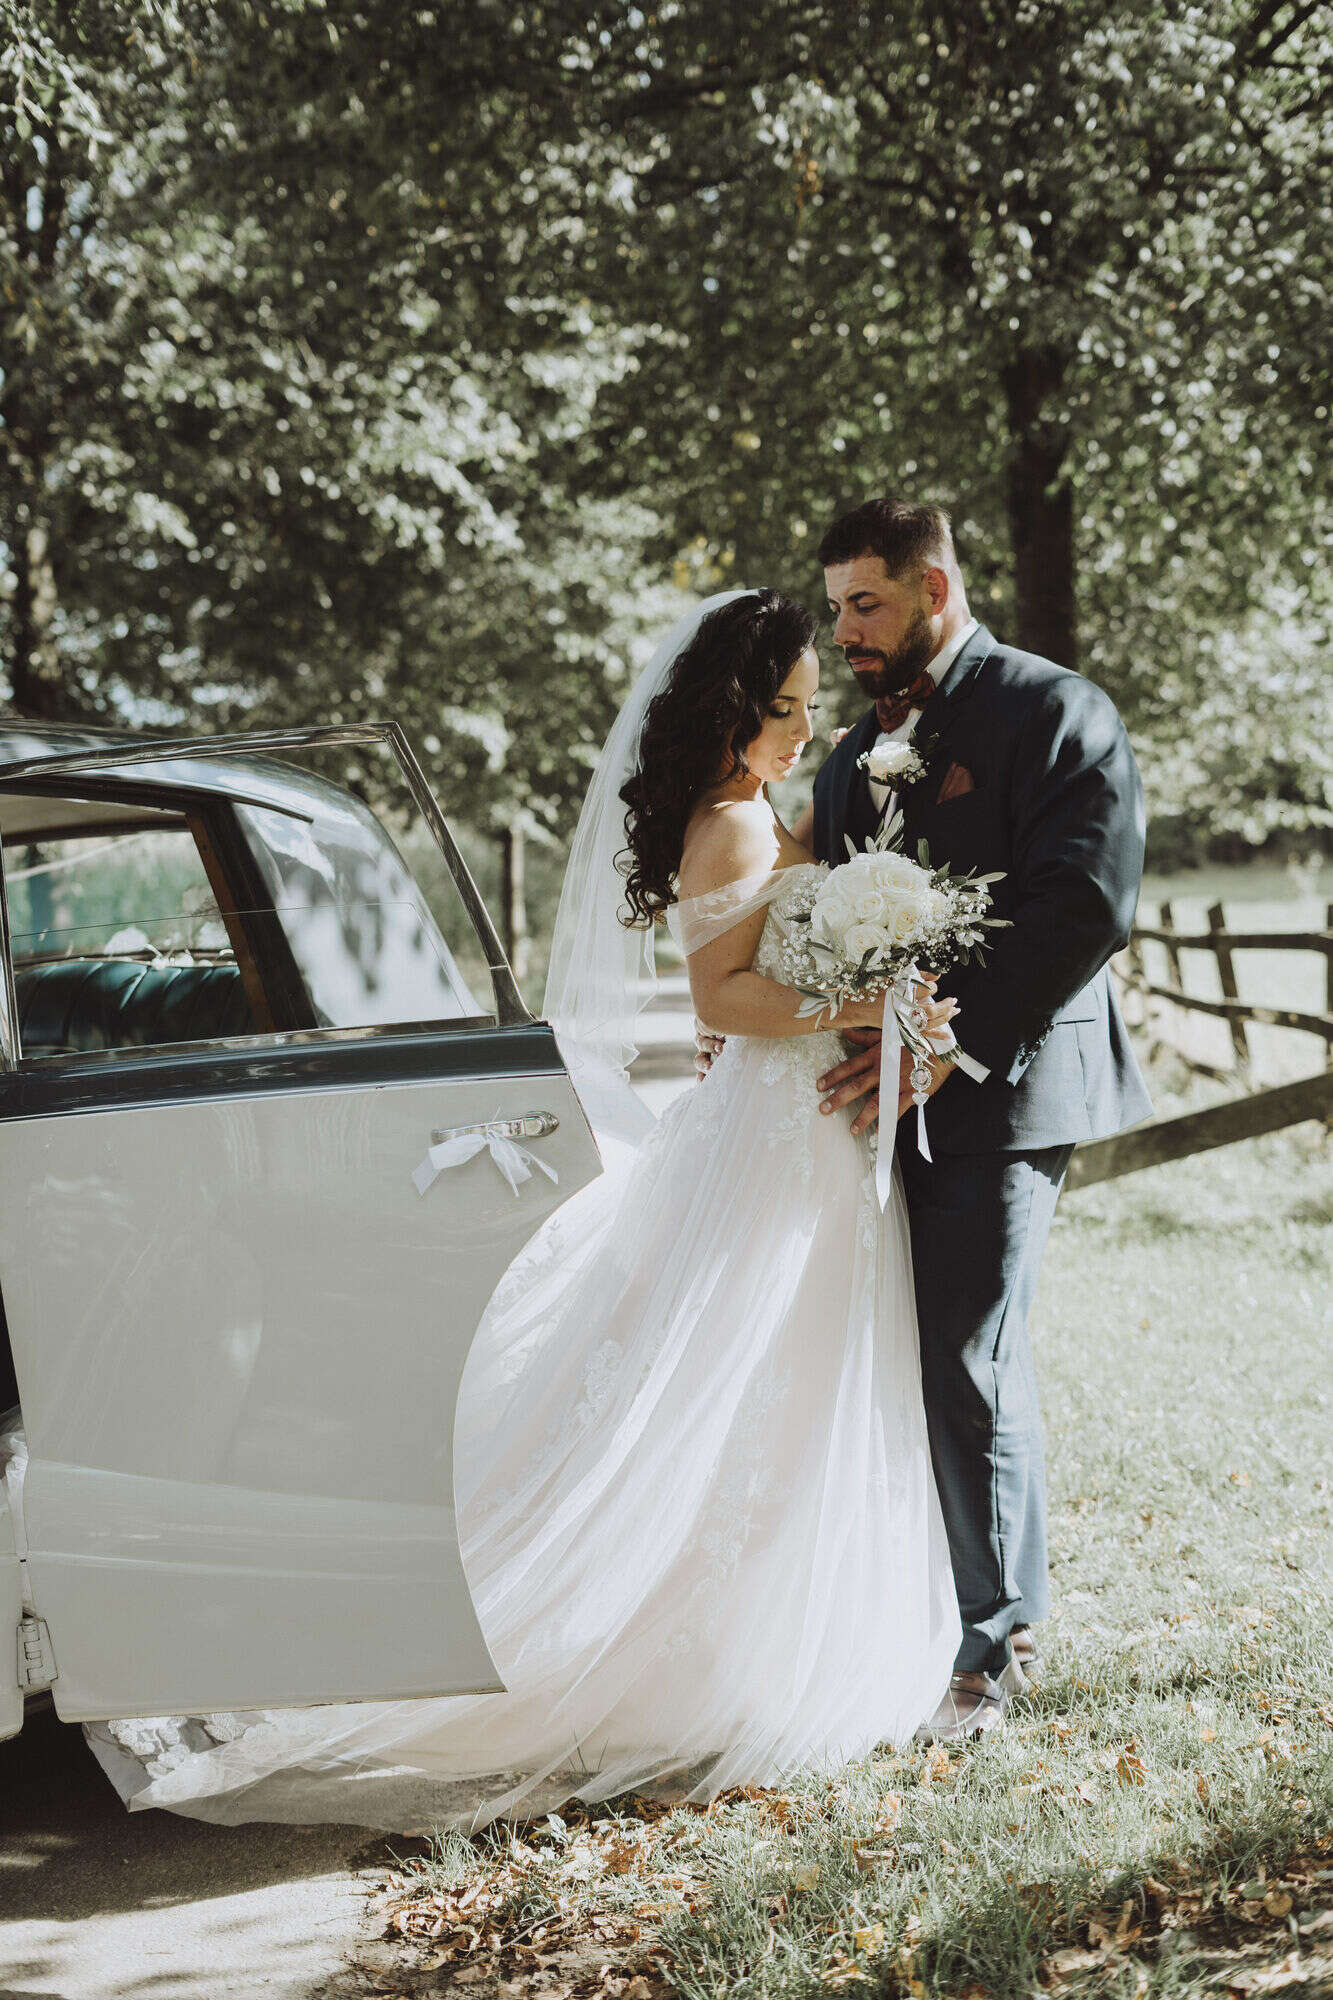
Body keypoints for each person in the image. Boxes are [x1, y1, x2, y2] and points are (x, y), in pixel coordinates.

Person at [87, 588, 963, 1831]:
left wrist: (881, 980)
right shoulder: (728, 827)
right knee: (745, 1377)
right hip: (774, 1136)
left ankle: (765, 1638)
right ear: (728, 714)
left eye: (808, 706)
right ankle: (702, 1663)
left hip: (799, 1128)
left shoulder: (757, 813)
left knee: (788, 1374)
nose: (801, 729)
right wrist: (862, 1003)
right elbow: (720, 1002)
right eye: (782, 709)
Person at [704, 501, 1152, 1741]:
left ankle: (990, 1649)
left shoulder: (1055, 710)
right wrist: (753, 1012)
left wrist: (946, 1046)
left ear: (935, 590)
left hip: (1009, 1087)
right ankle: (916, 1616)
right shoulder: (851, 753)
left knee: (966, 1351)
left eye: (866, 603)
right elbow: (809, 909)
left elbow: (1084, 902)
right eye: (836, 606)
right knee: (898, 1352)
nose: (845, 629)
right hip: (865, 1096)